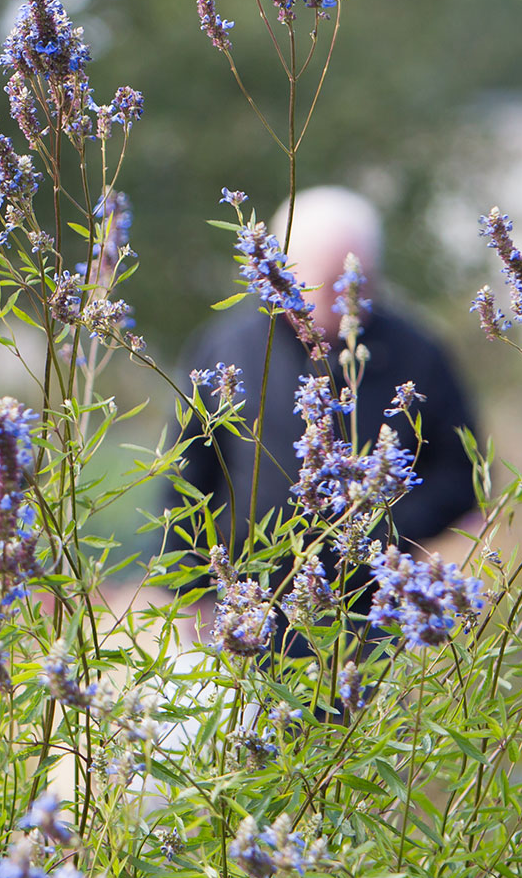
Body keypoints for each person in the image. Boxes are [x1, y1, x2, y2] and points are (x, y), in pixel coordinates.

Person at [171, 186, 480, 646]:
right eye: (324, 283)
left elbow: (463, 475)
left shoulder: (419, 354)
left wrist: (382, 527)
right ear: (283, 276)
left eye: (357, 285)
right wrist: (185, 588)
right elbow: (187, 472)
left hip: (376, 613)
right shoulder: (228, 348)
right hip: (252, 605)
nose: (342, 302)